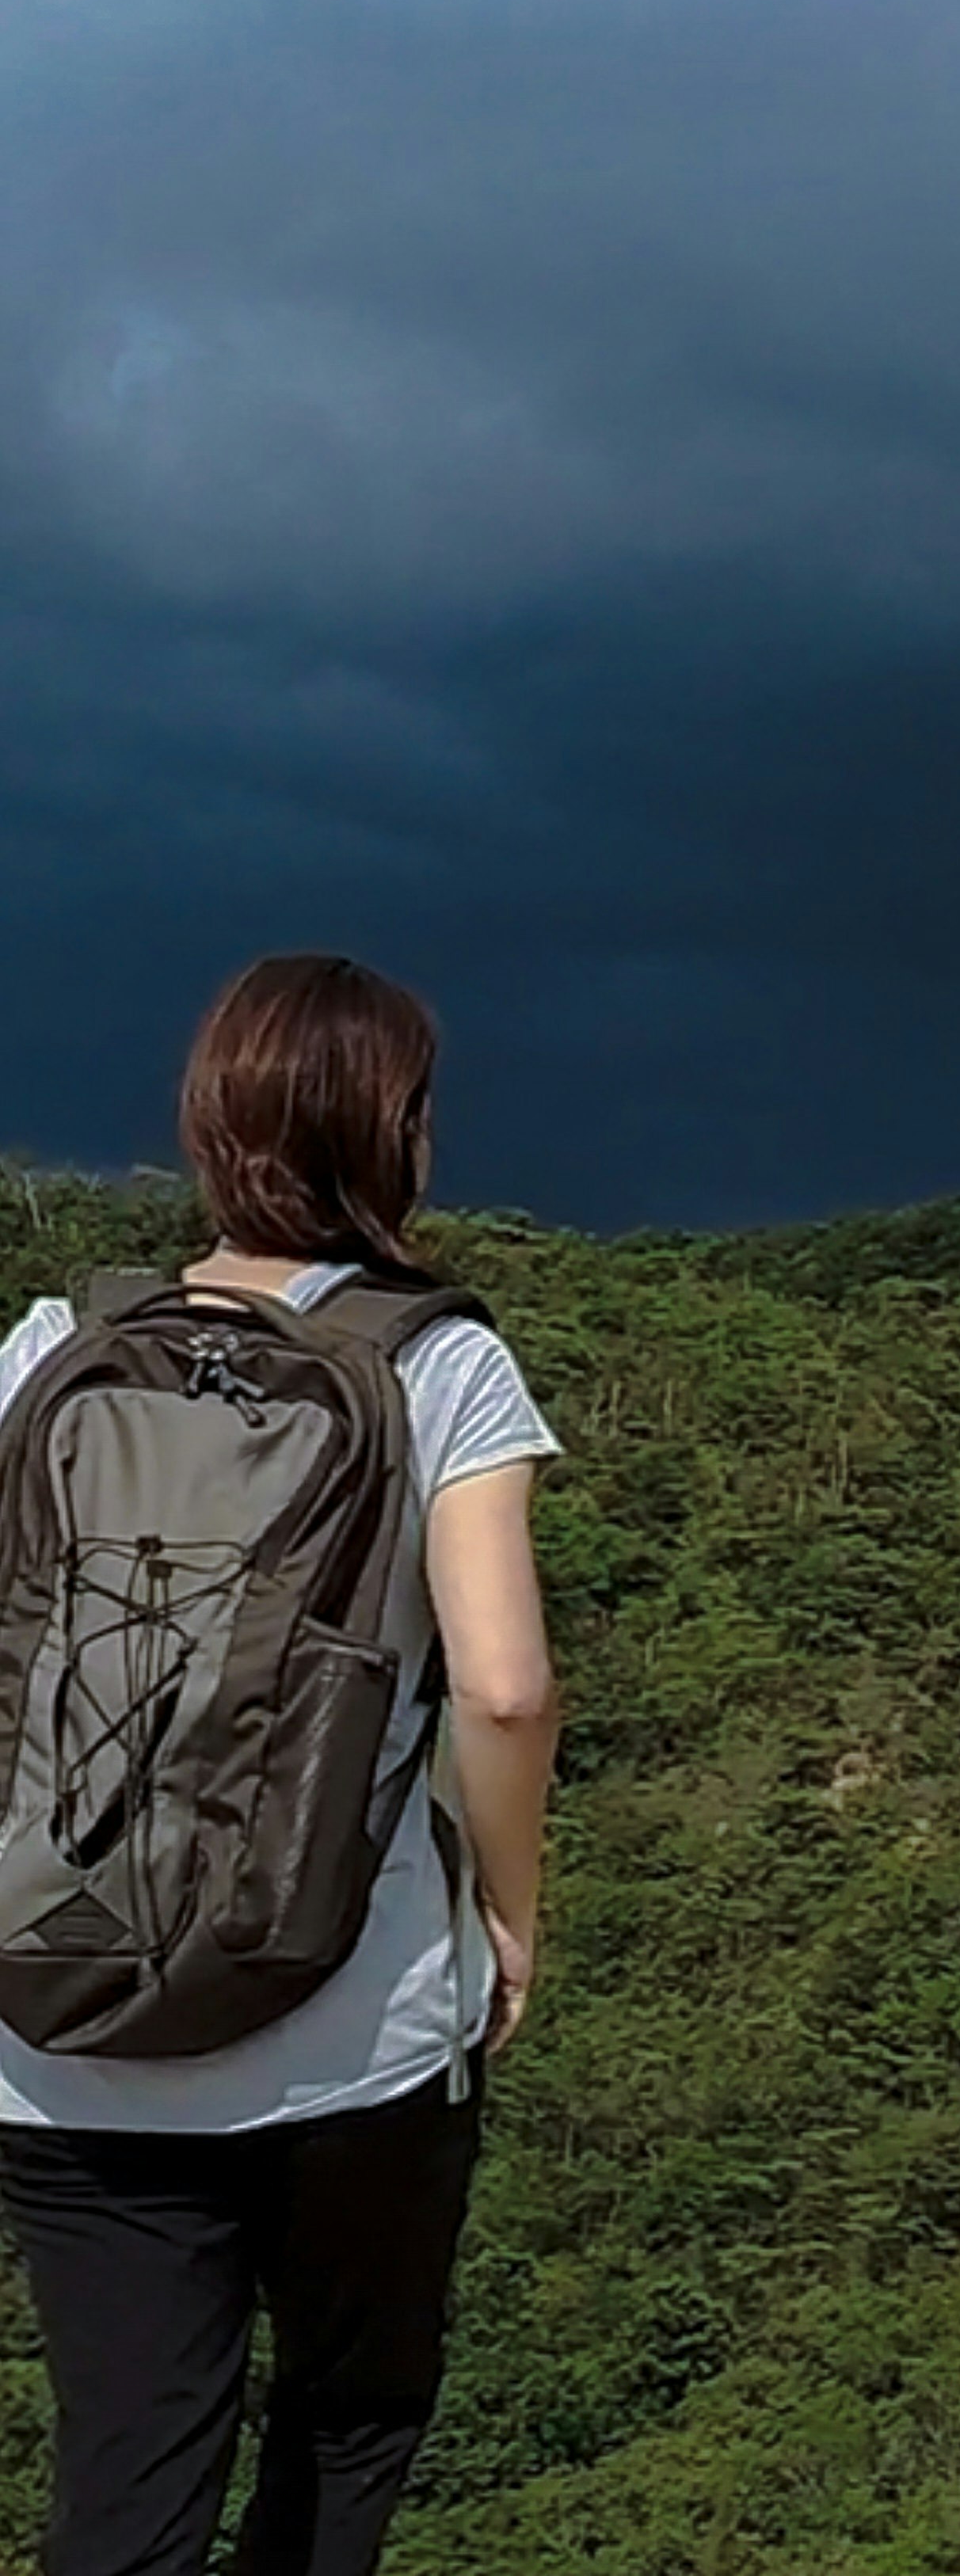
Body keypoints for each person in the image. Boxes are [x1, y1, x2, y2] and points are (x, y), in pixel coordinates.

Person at [0, 954, 561, 2576]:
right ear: (402, 1136)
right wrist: (511, 1918)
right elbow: (507, 1692)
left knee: (124, 2478)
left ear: (208, 1122)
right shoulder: (437, 1364)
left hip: (58, 2011)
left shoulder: (52, 1348)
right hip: (353, 2029)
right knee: (349, 2423)